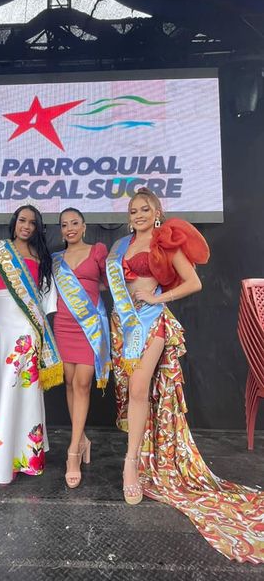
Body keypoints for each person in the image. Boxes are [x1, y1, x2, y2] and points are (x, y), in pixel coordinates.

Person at [107, 186, 264, 563]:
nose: (139, 214)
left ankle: (131, 466)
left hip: (152, 322)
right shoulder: (120, 247)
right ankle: (140, 456)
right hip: (122, 325)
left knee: (140, 388)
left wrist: (157, 298)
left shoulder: (165, 243)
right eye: (133, 210)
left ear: (157, 212)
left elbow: (194, 282)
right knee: (131, 392)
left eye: (145, 209)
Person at [0, 205, 63, 484]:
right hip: (1, 328)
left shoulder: (41, 257)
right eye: (22, 220)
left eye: (32, 222)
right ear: (14, 222)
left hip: (28, 328)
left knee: (23, 388)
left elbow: (45, 298)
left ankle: (21, 455)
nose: (26, 226)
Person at [52, 208, 110, 488]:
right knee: (69, 381)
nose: (70, 228)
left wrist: (91, 291)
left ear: (84, 226)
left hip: (89, 326)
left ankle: (73, 451)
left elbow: (109, 283)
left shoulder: (97, 250)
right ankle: (82, 438)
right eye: (65, 225)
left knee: (83, 383)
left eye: (75, 223)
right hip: (63, 324)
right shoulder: (56, 259)